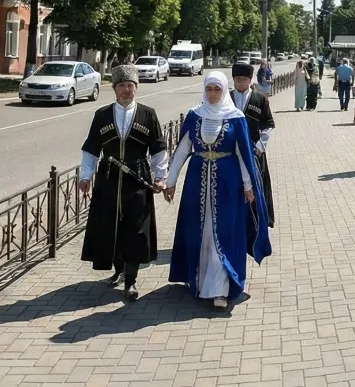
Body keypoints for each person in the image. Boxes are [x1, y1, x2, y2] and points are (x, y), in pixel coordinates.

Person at [163, 72, 272, 309]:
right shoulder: (195, 115)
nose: (213, 94)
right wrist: (170, 180)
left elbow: (243, 154)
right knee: (199, 230)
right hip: (197, 179)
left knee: (223, 231)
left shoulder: (236, 117)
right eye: (209, 89)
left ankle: (221, 288)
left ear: (224, 90)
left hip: (228, 182)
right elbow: (182, 150)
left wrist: (248, 185)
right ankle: (200, 281)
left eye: (217, 89)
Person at [78, 65, 168, 302]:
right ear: (115, 89)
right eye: (122, 86)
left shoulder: (148, 114)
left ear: (136, 88)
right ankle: (118, 269)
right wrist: (86, 176)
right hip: (108, 179)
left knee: (135, 228)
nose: (126, 90)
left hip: (137, 178)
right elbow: (90, 148)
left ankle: (131, 280)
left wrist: (160, 176)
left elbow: (159, 148)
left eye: (130, 85)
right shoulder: (102, 115)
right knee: (111, 225)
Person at [229, 63, 276, 228]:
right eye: (237, 79)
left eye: (244, 80)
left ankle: (258, 222)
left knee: (256, 187)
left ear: (250, 80)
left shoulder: (260, 99)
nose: (240, 83)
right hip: (231, 153)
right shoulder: (226, 98)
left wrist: (260, 145)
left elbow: (268, 124)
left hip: (254, 152)